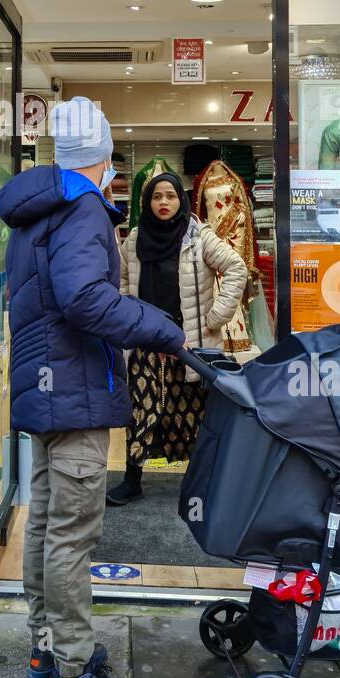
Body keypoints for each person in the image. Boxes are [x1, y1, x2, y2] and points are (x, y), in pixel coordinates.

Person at [0, 97, 185, 678]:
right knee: (72, 537)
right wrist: (161, 326)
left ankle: (46, 653)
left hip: (44, 387)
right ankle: (73, 673)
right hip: (74, 389)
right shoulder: (82, 210)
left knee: (47, 528)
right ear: (102, 157)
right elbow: (85, 299)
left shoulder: (35, 211)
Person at [108, 171, 247, 506]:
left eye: (170, 196)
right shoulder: (135, 239)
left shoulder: (198, 236)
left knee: (192, 412)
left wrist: (216, 317)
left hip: (188, 345)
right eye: (156, 197)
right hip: (146, 342)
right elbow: (124, 284)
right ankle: (132, 478)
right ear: (147, 202)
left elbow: (236, 268)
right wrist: (130, 321)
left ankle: (201, 480)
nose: (164, 203)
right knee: (141, 409)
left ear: (180, 200)